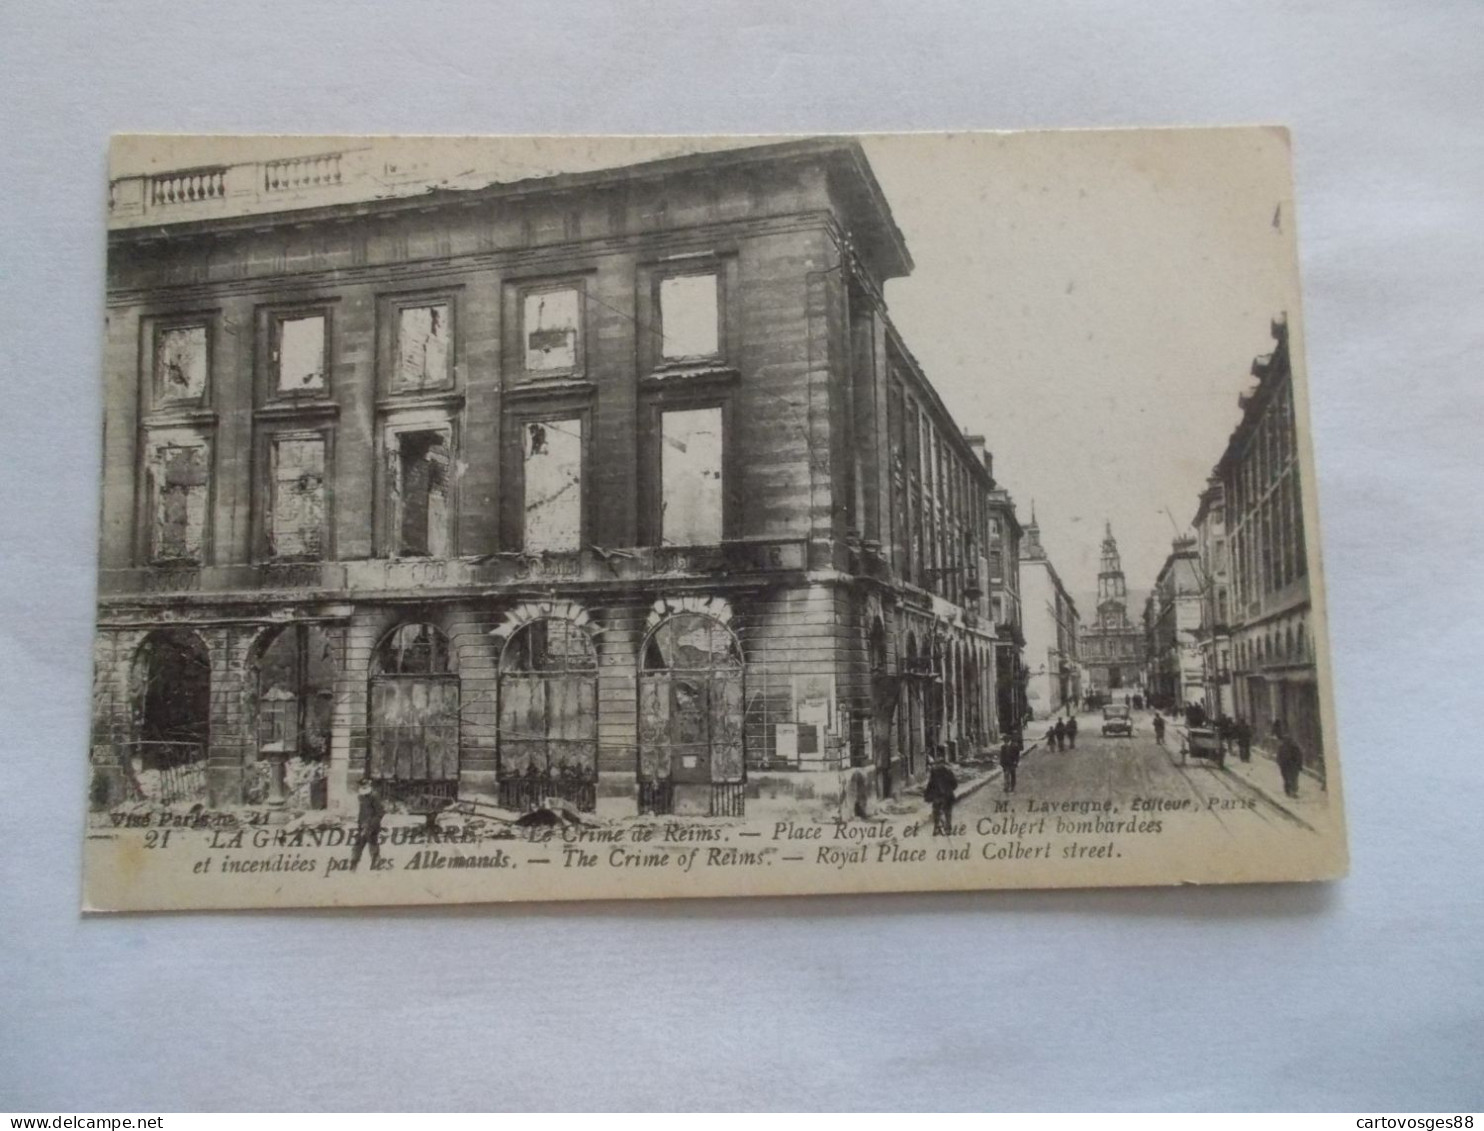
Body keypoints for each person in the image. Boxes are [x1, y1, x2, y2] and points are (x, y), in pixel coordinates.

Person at [349, 777, 385, 871]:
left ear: (369, 785)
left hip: (372, 825)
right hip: (362, 825)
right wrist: (360, 823)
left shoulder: (374, 796)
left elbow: (380, 812)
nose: (363, 787)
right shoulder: (361, 796)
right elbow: (362, 812)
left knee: (372, 844)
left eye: (365, 785)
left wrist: (372, 825)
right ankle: (353, 864)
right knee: (358, 844)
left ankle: (376, 864)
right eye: (362, 785)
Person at [924, 756, 959, 836]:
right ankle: (948, 829)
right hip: (947, 796)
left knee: (936, 812)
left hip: (937, 796)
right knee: (948, 813)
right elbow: (955, 784)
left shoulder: (934, 772)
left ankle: (936, 828)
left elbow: (931, 784)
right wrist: (949, 789)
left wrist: (927, 794)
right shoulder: (949, 771)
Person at [1275, 720, 1304, 798]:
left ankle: (1290, 791)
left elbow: (1279, 757)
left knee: (1288, 778)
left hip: (1288, 765)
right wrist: (1299, 765)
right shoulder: (1292, 746)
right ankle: (1292, 791)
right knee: (1292, 779)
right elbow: (1299, 755)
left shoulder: (1284, 747)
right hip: (1290, 765)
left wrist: (1280, 764)